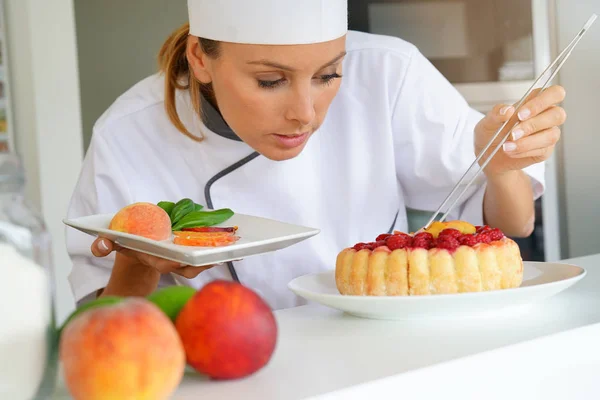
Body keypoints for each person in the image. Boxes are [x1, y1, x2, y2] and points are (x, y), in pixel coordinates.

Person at [66, 0, 566, 309]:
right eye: (270, 81)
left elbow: (514, 224)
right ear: (200, 57)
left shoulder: (387, 72)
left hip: (389, 350)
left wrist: (502, 168)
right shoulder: (128, 134)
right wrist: (140, 263)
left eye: (329, 75)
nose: (305, 113)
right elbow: (102, 327)